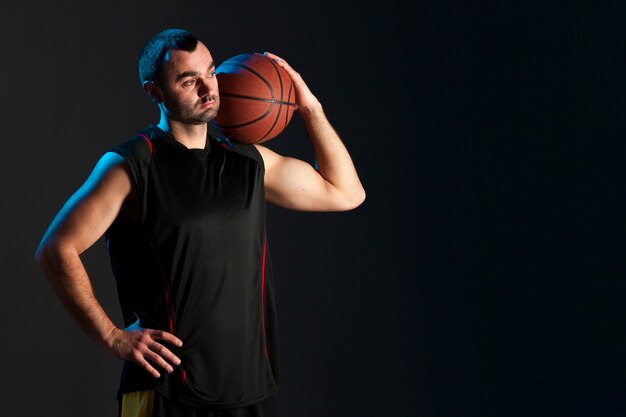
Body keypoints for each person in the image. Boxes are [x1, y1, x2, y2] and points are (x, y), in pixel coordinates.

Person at [35, 28, 365, 417]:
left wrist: (309, 108)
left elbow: (345, 192)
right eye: (189, 80)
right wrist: (112, 337)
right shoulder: (132, 165)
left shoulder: (248, 161)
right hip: (167, 392)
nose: (209, 89)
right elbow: (56, 250)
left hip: (250, 391)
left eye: (211, 72)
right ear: (154, 93)